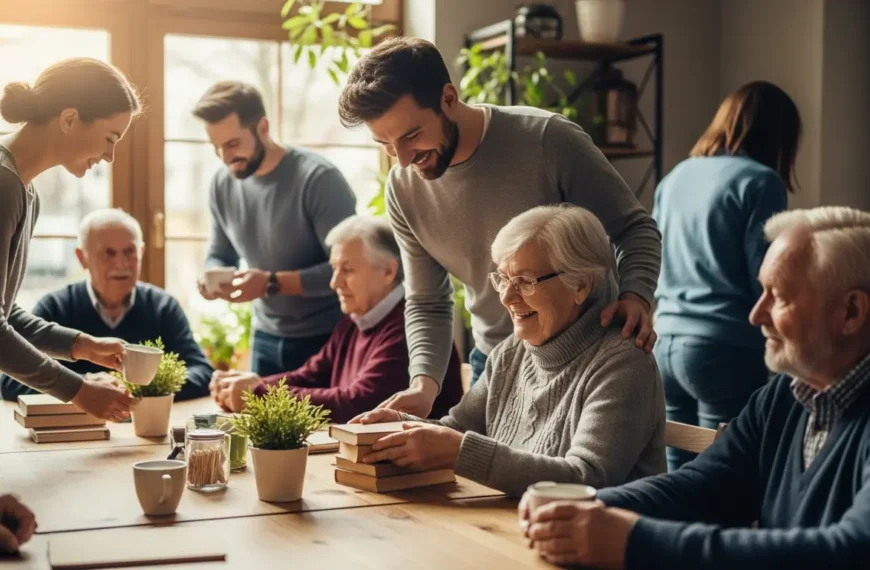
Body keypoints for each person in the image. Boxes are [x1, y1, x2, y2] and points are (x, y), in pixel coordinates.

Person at [521, 206, 870, 568]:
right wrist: (589, 506)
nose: (756, 315)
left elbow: (851, 550)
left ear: (851, 313)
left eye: (778, 297)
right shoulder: (785, 395)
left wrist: (632, 541)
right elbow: (704, 485)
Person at [338, 37, 662, 418]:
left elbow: (634, 228)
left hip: (585, 362)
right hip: (493, 366)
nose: (404, 160)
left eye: (411, 136)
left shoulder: (548, 140)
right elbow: (427, 300)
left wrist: (636, 295)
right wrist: (423, 385)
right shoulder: (402, 190)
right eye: (386, 145)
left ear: (447, 98)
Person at [356, 206, 665, 496]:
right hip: (512, 530)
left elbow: (589, 477)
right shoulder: (511, 352)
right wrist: (400, 425)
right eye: (503, 278)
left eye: (525, 281)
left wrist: (462, 452)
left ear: (581, 285)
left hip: (598, 543)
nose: (506, 296)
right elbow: (457, 429)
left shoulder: (623, 363)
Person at [652, 81, 802, 470]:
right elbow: (765, 274)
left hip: (664, 342)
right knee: (724, 474)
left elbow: (653, 255)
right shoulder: (760, 181)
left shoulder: (675, 177)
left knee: (678, 478)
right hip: (723, 348)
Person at [209, 215, 463, 423]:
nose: (334, 282)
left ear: (388, 271)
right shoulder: (356, 319)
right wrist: (246, 384)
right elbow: (310, 375)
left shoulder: (410, 331)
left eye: (348, 270)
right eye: (334, 269)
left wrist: (258, 393)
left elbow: (355, 403)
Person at [0, 58, 141, 421]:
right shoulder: (4, 185)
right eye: (110, 138)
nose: (110, 156)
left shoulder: (25, 191)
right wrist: (76, 390)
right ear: (68, 119)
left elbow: (5, 313)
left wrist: (82, 346)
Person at [193, 81, 357, 378]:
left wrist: (272, 282)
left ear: (263, 128)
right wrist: (211, 277)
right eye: (216, 147)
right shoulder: (222, 183)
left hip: (328, 338)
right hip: (265, 338)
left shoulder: (318, 179)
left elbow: (349, 271)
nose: (225, 158)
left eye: (232, 144)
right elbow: (219, 254)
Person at [0, 209, 213, 402]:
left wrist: (134, 385)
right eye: (109, 253)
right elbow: (10, 383)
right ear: (82, 258)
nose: (121, 264)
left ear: (142, 253)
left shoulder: (163, 307)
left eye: (130, 252)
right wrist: (86, 384)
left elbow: (202, 372)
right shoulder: (55, 307)